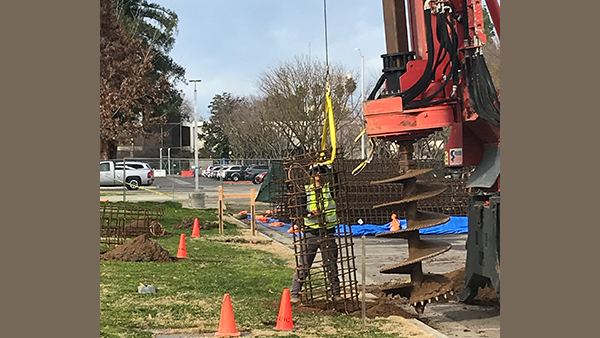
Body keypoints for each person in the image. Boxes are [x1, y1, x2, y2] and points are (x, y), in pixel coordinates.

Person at [290, 165, 343, 304]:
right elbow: (299, 209)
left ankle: (336, 293)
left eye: (321, 172)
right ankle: (295, 293)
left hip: (328, 232)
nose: (318, 174)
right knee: (304, 265)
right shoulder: (305, 191)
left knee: (331, 265)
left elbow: (338, 182)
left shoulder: (328, 189)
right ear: (311, 175)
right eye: (315, 172)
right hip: (311, 232)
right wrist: (309, 214)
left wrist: (331, 166)